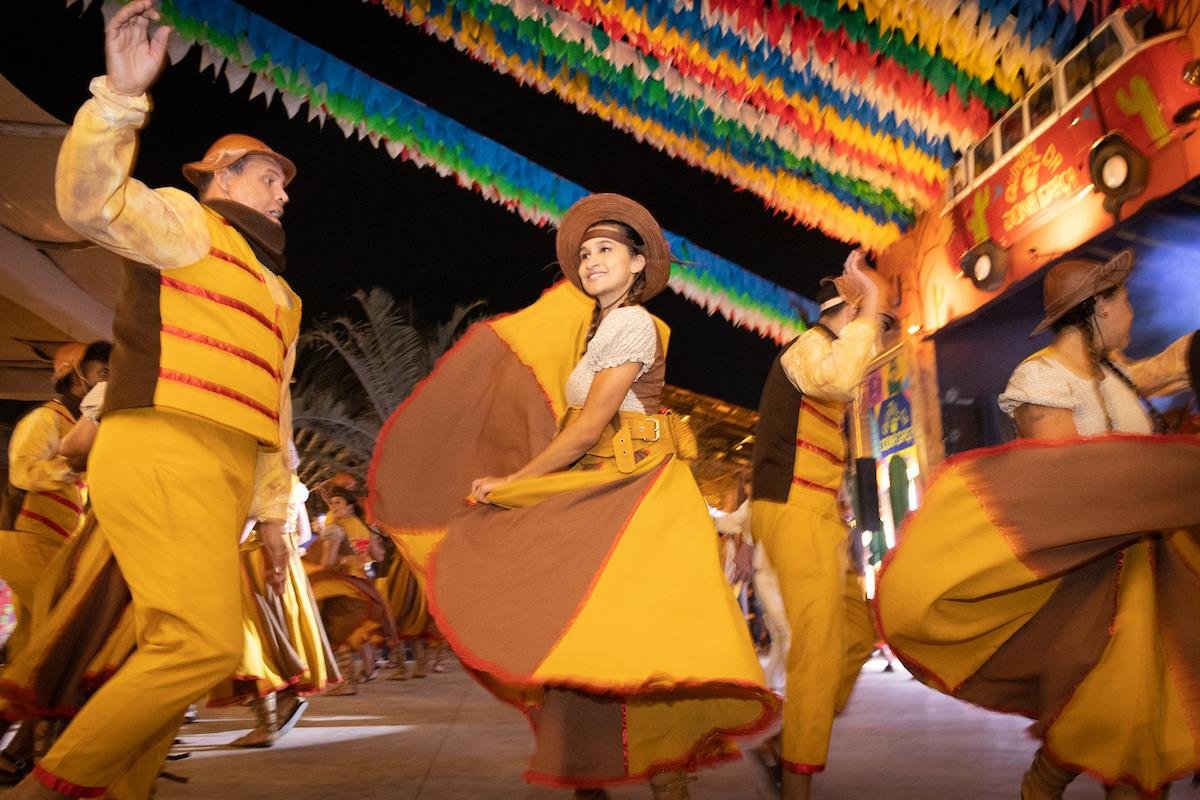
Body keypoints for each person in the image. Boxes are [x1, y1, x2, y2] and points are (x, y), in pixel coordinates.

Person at [371, 193, 777, 800]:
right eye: (585, 253)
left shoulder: (632, 324)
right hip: (607, 488)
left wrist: (518, 483)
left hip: (637, 496)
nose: (590, 261)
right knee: (609, 645)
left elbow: (589, 427)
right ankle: (614, 771)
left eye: (606, 250)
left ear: (639, 264)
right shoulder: (599, 329)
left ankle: (670, 776)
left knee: (632, 644)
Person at [11, 2, 302, 796]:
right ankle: (48, 785)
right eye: (266, 175)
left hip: (226, 475)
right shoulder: (188, 224)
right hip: (161, 445)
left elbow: (276, 413)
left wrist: (273, 517)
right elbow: (89, 203)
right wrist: (118, 99)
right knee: (203, 645)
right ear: (219, 179)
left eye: (282, 181)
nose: (281, 191)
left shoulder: (282, 295)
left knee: (162, 647)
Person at [876, 250, 1199, 800]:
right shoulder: (1039, 377)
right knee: (1097, 717)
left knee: (1137, 734)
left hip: (1144, 578)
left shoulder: (1118, 376)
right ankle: (1039, 789)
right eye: (1122, 300)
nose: (1131, 311)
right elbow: (1064, 484)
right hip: (1083, 582)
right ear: (1097, 309)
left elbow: (1159, 386)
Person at [748, 251, 890, 800]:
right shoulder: (810, 347)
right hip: (790, 509)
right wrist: (871, 302)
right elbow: (838, 378)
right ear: (850, 310)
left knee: (856, 635)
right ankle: (797, 784)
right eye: (871, 321)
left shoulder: (828, 353)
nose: (874, 334)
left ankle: (785, 745)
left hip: (821, 518)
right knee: (819, 645)